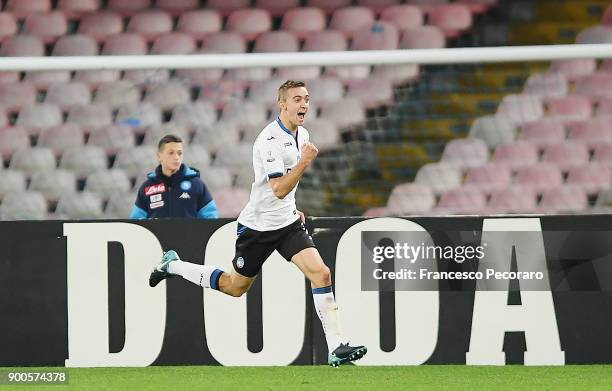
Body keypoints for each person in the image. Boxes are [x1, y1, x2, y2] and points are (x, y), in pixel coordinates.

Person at [149, 80, 366, 367]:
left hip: (287, 224)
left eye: (307, 99)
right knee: (234, 287)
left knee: (322, 274)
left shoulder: (303, 134)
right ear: (283, 104)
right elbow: (277, 188)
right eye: (297, 99)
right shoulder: (269, 141)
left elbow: (285, 191)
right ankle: (172, 265)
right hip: (258, 229)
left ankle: (337, 346)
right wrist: (304, 162)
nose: (304, 105)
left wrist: (292, 208)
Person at [130, 134, 219, 219]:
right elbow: (137, 221)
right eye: (171, 153)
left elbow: (210, 218)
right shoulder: (147, 187)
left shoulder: (196, 184)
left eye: (179, 153)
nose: (176, 157)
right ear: (159, 157)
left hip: (189, 235)